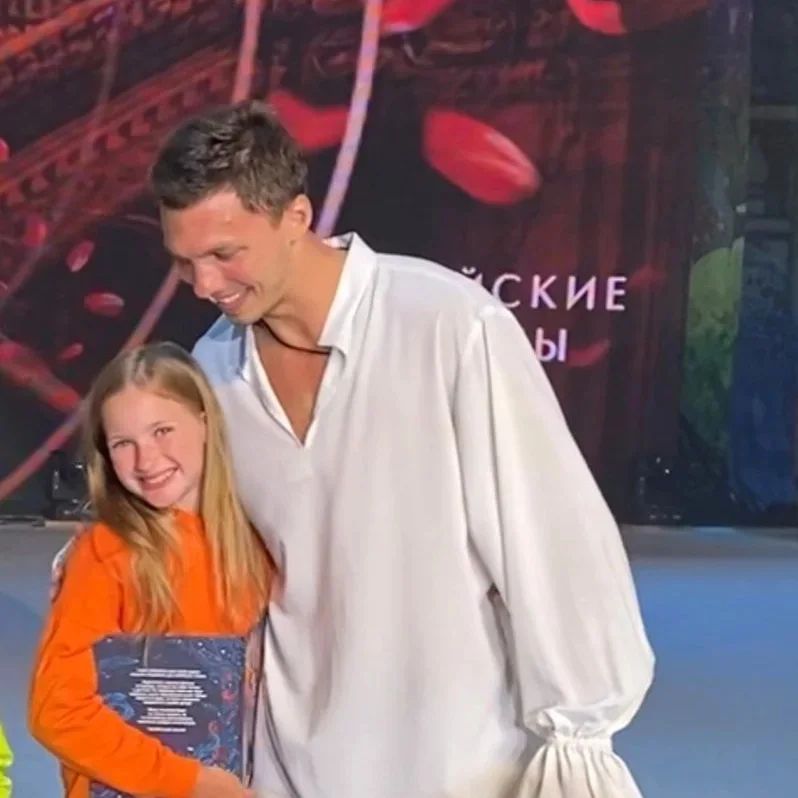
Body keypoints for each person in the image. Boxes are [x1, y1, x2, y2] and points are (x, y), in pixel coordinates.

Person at [151, 100, 655, 798]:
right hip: (288, 765)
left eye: (223, 254)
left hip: (459, 763)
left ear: (296, 217)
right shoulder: (212, 372)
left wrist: (578, 740)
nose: (205, 285)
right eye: (184, 262)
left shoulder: (451, 327)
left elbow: (551, 545)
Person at [29, 342, 272, 798]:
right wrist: (189, 783)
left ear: (205, 421)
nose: (146, 460)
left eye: (162, 431)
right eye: (123, 444)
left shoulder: (260, 545)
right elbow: (58, 710)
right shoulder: (105, 553)